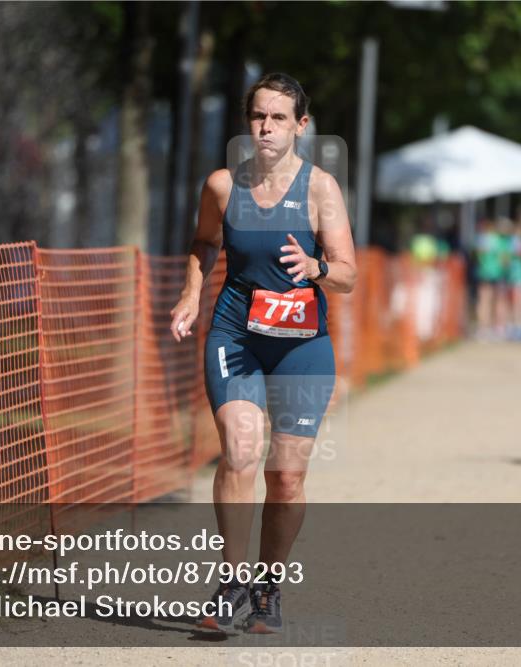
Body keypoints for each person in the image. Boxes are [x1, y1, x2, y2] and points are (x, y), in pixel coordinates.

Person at [170, 73, 356, 633]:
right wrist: (190, 292)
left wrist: (318, 269)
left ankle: (269, 587)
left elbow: (347, 274)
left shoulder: (321, 189)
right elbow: (205, 242)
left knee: (287, 477)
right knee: (241, 453)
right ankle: (231, 580)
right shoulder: (224, 186)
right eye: (257, 116)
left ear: (301, 125)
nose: (266, 127)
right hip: (237, 336)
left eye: (278, 117)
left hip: (302, 347)